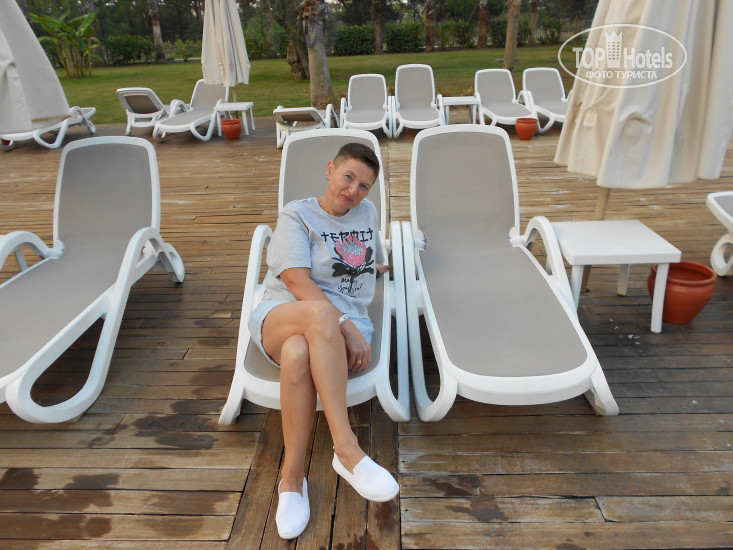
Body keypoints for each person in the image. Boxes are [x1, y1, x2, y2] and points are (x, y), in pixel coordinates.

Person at [248, 143, 399, 539]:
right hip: (285, 312)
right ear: (330, 169)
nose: (353, 191)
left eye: (364, 186)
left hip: (328, 330)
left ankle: (291, 478)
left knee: (299, 352)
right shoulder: (297, 214)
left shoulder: (367, 212)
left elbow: (357, 261)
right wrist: (344, 324)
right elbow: (296, 281)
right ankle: (346, 449)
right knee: (318, 316)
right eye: (348, 177)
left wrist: (378, 268)